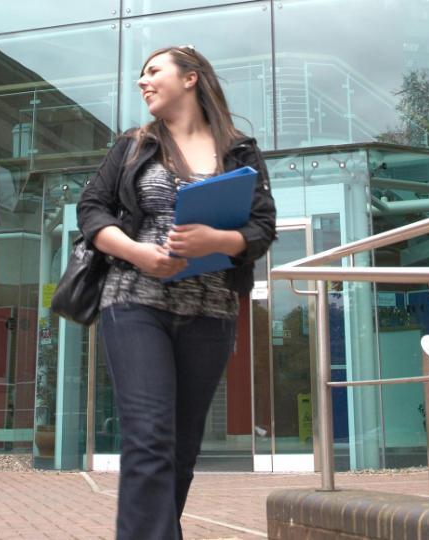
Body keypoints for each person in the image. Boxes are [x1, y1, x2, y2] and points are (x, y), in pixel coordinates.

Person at [77, 45, 276, 539]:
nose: (142, 81)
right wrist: (137, 253)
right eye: (141, 74)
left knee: (181, 448)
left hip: (211, 309)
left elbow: (263, 228)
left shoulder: (241, 150)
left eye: (153, 71)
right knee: (148, 439)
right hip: (135, 300)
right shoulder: (133, 145)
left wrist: (218, 241)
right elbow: (91, 210)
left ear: (190, 79)